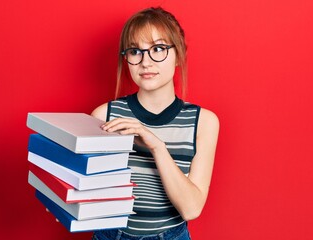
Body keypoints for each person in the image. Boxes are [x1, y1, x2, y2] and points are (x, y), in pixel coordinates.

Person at [91, 7, 219, 240]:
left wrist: (157, 146)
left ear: (179, 55)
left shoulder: (203, 122)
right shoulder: (104, 116)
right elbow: (90, 193)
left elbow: (191, 209)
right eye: (135, 51)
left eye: (158, 49)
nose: (145, 61)